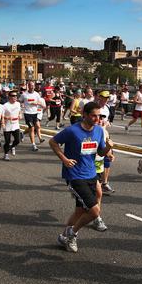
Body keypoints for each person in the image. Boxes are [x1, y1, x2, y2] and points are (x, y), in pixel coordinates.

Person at [49, 101, 114, 253]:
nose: (97, 119)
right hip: (75, 175)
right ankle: (72, 234)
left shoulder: (98, 131)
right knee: (94, 211)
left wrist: (108, 149)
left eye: (100, 116)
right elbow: (53, 142)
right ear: (84, 114)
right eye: (94, 116)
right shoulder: (72, 131)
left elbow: (99, 153)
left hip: (91, 174)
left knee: (79, 211)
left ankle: (64, 237)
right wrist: (64, 159)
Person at [20, 81, 45, 151]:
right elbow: (20, 101)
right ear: (28, 86)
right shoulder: (24, 94)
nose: (32, 87)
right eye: (30, 85)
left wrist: (36, 103)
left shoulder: (37, 94)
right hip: (27, 113)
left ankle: (22, 133)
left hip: (35, 113)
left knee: (38, 126)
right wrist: (21, 107)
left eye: (33, 85)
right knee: (32, 128)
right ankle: (33, 145)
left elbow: (39, 102)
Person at [2, 91, 21, 160]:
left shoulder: (18, 104)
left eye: (16, 96)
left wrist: (20, 114)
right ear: (9, 97)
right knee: (7, 141)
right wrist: (6, 118)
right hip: (7, 125)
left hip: (16, 124)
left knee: (17, 140)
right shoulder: (5, 105)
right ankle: (6, 154)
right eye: (13, 96)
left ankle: (12, 147)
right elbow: (2, 116)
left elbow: (19, 111)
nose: (15, 97)